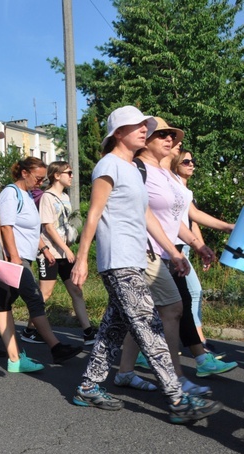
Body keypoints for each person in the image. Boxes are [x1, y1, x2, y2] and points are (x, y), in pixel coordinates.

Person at [70, 106, 221, 424]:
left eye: (144, 125)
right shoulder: (108, 165)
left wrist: (175, 253)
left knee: (113, 328)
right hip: (118, 261)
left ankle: (88, 386)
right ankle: (178, 400)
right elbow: (94, 214)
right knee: (150, 327)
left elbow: (147, 216)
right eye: (136, 125)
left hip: (135, 259)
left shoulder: (134, 170)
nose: (144, 129)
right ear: (118, 133)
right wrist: (81, 259)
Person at [116, 120, 236, 393]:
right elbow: (141, 215)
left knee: (141, 314)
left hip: (166, 252)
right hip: (144, 252)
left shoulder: (166, 175)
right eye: (162, 134)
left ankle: (123, 372)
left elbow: (172, 217)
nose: (170, 139)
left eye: (173, 135)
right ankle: (176, 378)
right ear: (145, 138)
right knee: (173, 309)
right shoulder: (137, 169)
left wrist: (196, 244)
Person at [0, 157, 82, 368]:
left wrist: (43, 248)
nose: (41, 182)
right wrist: (14, 258)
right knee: (34, 299)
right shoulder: (11, 193)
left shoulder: (27, 194)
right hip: (17, 259)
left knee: (4, 301)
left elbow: (32, 230)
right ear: (24, 173)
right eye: (38, 177)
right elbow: (5, 227)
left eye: (43, 179)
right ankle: (56, 347)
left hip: (26, 257)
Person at [171, 148, 233, 357]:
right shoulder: (170, 185)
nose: (191, 164)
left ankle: (195, 344)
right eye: (186, 161)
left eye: (192, 160)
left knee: (180, 299)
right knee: (184, 297)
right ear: (175, 164)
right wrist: (227, 227)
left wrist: (201, 247)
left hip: (183, 247)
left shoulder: (185, 191)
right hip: (170, 249)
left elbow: (192, 220)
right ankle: (199, 345)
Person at [30, 161, 96, 345]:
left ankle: (88, 331)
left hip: (64, 253)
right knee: (45, 293)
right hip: (50, 253)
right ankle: (30, 330)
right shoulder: (47, 197)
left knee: (76, 290)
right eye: (69, 172)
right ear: (57, 175)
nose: (72, 176)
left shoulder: (65, 197)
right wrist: (66, 249)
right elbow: (48, 227)